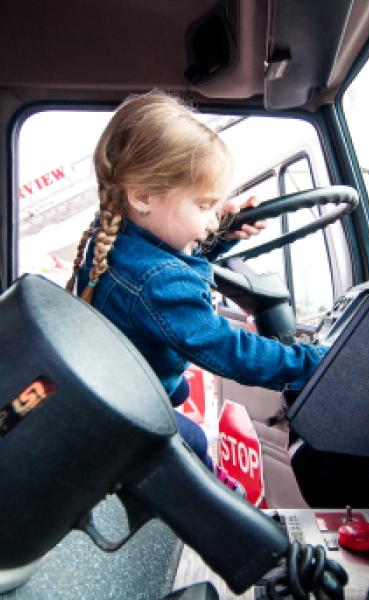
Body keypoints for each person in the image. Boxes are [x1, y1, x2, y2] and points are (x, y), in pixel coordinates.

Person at [66, 91, 328, 495]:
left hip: (123, 396)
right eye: (205, 206)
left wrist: (222, 234)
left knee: (186, 412)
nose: (210, 221)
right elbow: (224, 348)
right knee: (196, 446)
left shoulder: (116, 239)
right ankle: (225, 509)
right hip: (136, 415)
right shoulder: (161, 282)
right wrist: (313, 362)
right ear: (143, 196)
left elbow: (164, 262)